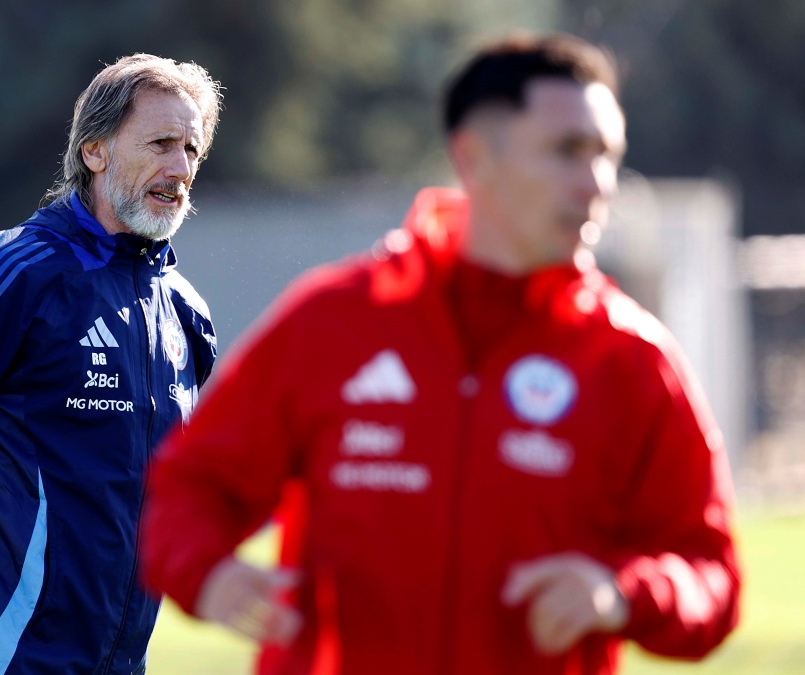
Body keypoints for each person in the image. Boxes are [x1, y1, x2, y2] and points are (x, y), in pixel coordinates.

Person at [140, 33, 740, 675]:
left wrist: (623, 591)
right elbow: (189, 487)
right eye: (568, 151)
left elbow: (712, 575)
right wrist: (208, 574)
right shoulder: (335, 323)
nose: (596, 183)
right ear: (474, 157)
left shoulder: (632, 359)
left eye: (607, 156)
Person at [0, 53, 221, 674]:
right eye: (161, 143)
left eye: (192, 150)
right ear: (95, 151)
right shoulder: (11, 274)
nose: (180, 168)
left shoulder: (186, 317)